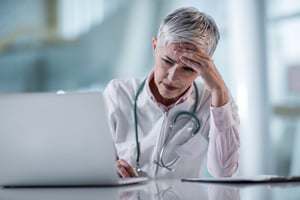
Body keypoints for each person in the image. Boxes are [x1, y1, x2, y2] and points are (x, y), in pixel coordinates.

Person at [103, 7, 240, 179]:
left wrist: (219, 91)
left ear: (204, 69)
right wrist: (108, 169)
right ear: (154, 47)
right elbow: (93, 161)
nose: (172, 77)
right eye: (167, 61)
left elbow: (223, 171)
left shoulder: (215, 101)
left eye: (188, 68)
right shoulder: (118, 93)